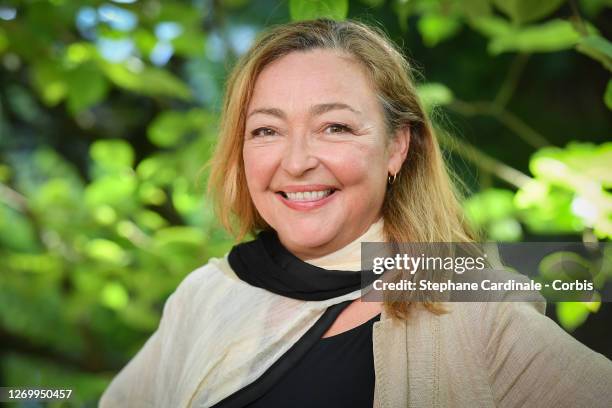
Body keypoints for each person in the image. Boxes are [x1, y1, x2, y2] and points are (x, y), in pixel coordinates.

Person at [99, 18, 612, 407]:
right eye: (266, 130)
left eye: (336, 128)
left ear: (396, 148)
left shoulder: (476, 307)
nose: (297, 162)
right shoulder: (207, 296)